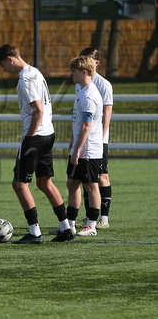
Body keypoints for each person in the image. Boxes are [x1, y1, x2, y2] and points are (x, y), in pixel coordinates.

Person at [0, 44, 72, 243]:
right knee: (44, 182)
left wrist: (28, 138)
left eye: (2, 65)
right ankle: (66, 227)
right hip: (48, 134)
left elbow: (38, 110)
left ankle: (35, 232)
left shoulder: (25, 78)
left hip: (35, 137)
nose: (3, 70)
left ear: (10, 59)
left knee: (19, 184)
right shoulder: (36, 72)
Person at [75, 47, 113, 230]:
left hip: (97, 140)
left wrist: (101, 137)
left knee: (101, 176)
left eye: (88, 59)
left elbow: (107, 113)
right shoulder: (79, 83)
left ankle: (103, 218)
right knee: (85, 178)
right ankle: (89, 215)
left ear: (96, 63)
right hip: (85, 139)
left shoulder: (103, 84)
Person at [66, 56, 104, 236]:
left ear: (83, 72)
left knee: (91, 186)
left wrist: (78, 149)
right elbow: (78, 122)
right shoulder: (81, 91)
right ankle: (70, 224)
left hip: (88, 151)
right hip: (79, 148)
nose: (71, 74)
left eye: (73, 71)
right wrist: (73, 141)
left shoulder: (90, 95)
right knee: (72, 184)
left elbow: (86, 125)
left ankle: (91, 225)